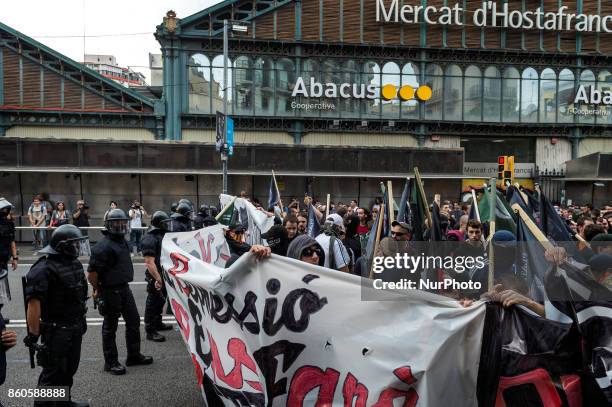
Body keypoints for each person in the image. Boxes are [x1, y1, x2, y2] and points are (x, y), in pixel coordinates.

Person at [24, 224, 90, 406]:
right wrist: (33, 334)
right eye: (74, 244)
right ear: (62, 246)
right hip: (56, 331)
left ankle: (63, 403)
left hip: (75, 326)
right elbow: (33, 304)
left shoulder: (74, 263)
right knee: (52, 376)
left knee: (69, 370)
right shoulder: (43, 269)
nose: (78, 248)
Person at [88, 209, 152, 375]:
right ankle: (110, 362)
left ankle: (134, 355)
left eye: (123, 222)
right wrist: (97, 289)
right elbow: (92, 274)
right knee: (110, 327)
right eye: (116, 223)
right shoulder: (102, 247)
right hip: (110, 291)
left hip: (124, 288)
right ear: (108, 225)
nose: (121, 225)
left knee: (134, 321)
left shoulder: (122, 241)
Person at [141, 211, 173, 342]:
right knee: (153, 302)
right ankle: (150, 330)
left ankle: (158, 323)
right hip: (156, 275)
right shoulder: (150, 238)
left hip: (163, 273)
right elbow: (149, 262)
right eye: (164, 223)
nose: (167, 225)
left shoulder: (161, 235)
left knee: (161, 300)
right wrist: (157, 277)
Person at [0, 198, 17, 324]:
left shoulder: (9, 223)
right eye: (3, 209)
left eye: (6, 209)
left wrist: (15, 258)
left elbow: (12, 241)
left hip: (3, 258)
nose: (5, 211)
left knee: (2, 289)